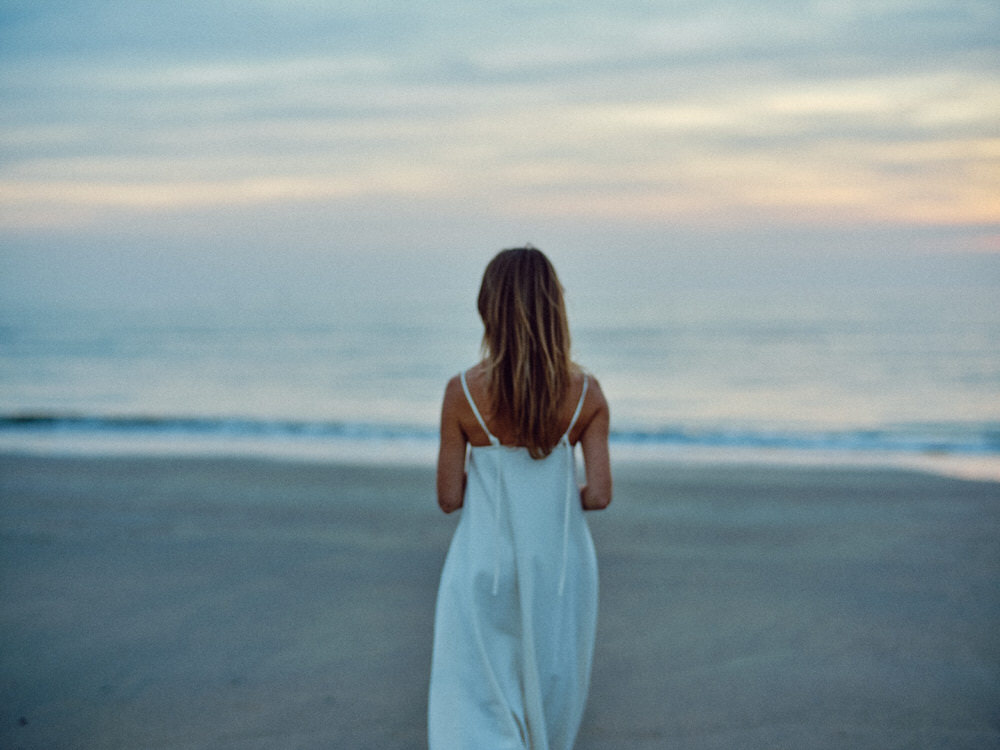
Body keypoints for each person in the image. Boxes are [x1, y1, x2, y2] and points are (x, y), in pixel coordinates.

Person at [428, 246, 612, 750]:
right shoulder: (586, 394)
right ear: (555, 307)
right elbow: (598, 496)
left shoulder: (462, 392)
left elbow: (449, 496)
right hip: (558, 567)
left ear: (489, 307)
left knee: (476, 701)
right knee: (550, 696)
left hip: (482, 564)